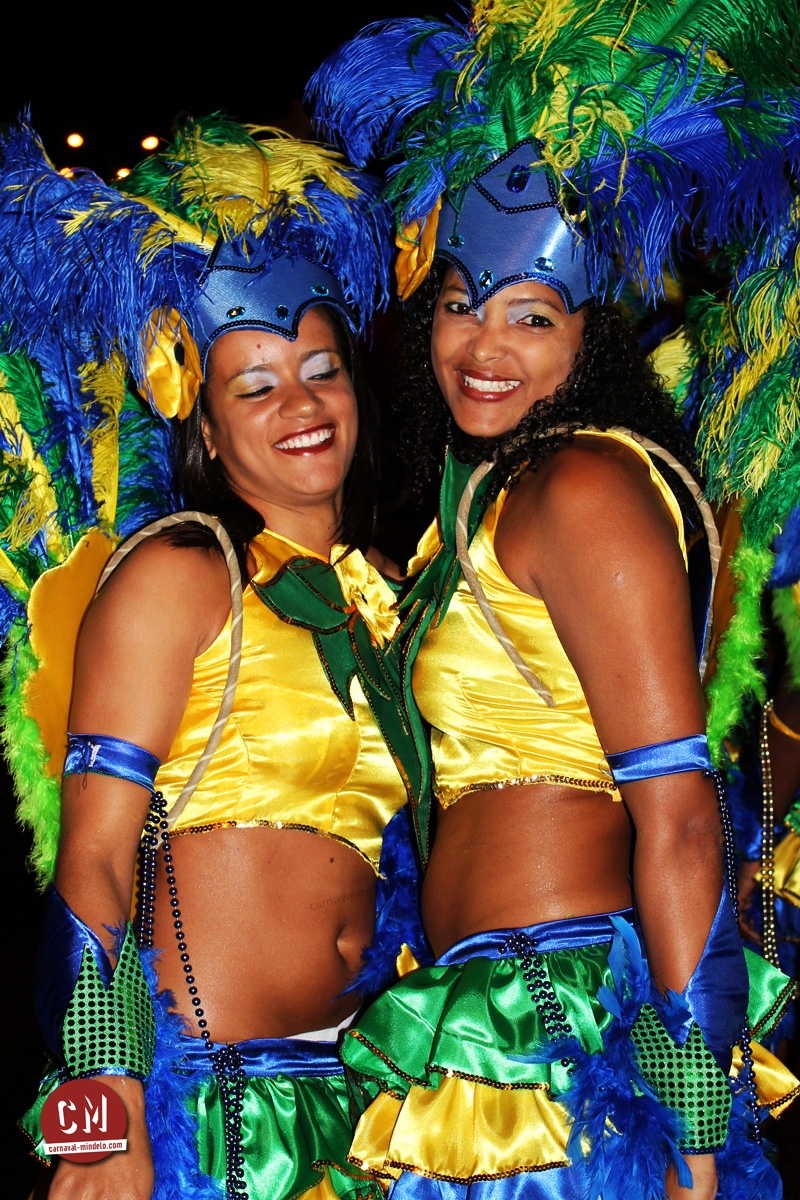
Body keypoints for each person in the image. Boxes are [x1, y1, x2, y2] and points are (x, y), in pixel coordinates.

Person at [308, 3, 800, 1197]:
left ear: (589, 339)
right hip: (482, 1016)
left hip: (557, 1034)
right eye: (459, 303)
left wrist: (693, 1131)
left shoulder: (582, 487)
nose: (483, 344)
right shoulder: (491, 498)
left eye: (530, 316)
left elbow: (677, 815)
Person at [0, 118, 426, 1200]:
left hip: (370, 1118)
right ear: (206, 427)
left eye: (321, 370)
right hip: (211, 1118)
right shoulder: (180, 575)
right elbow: (94, 861)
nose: (301, 405)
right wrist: (102, 1112)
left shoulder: (399, 593)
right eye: (256, 387)